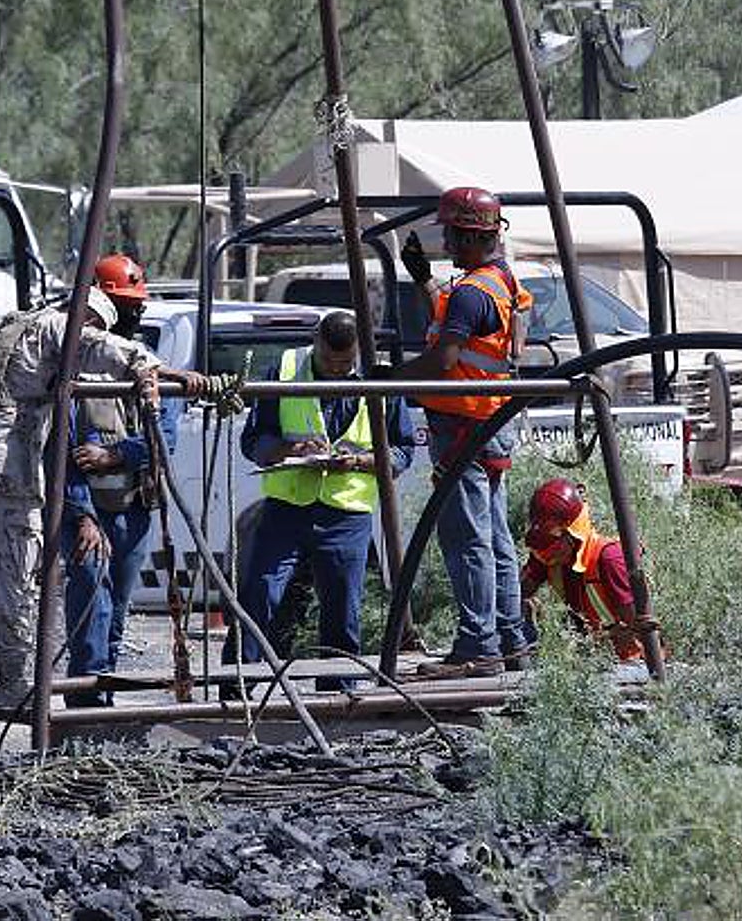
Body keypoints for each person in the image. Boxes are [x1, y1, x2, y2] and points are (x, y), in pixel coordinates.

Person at [0, 286, 160, 710]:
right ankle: (15, 686)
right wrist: (149, 370)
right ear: (89, 318)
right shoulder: (61, 329)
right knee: (10, 584)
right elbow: (111, 352)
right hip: (6, 480)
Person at [230, 311, 415, 693]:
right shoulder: (284, 369)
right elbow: (254, 440)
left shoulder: (379, 379)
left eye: (345, 364)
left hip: (346, 513)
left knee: (343, 609)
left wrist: (361, 461)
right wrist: (286, 449)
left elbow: (402, 450)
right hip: (286, 508)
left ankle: (337, 694)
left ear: (359, 351)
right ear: (316, 341)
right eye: (329, 361)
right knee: (259, 593)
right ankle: (235, 688)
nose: (336, 370)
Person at [392, 186, 534, 678]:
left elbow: (446, 357)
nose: (446, 242)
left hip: (464, 426)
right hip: (486, 423)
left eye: (452, 233)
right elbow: (461, 325)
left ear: (470, 234)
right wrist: (424, 280)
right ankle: (511, 640)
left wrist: (391, 378)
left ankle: (478, 645)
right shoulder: (499, 283)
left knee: (467, 538)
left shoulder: (473, 292)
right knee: (494, 538)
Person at [60, 253, 195, 708]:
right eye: (125, 306)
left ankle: (105, 695)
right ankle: (85, 701)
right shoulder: (71, 373)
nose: (133, 316)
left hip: (135, 504)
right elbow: (62, 453)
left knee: (115, 608)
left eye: (136, 307)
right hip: (91, 512)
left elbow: (165, 436)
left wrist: (115, 454)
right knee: (91, 606)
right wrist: (80, 515)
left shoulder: (148, 369)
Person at [520, 478, 643, 661]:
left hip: (630, 663)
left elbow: (641, 625)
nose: (546, 555)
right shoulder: (545, 554)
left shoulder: (609, 558)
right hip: (587, 663)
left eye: (552, 544)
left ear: (573, 534)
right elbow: (519, 592)